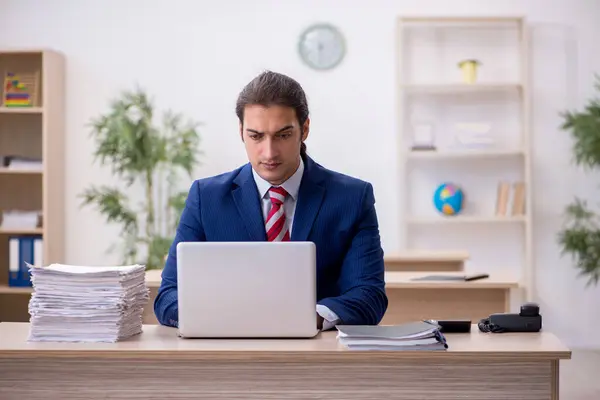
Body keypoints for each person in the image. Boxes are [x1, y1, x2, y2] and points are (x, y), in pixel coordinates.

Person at [154, 70, 388, 330]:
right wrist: (225, 317)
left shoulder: (352, 198)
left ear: (305, 129)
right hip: (228, 353)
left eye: (283, 135)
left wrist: (305, 319)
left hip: (319, 357)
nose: (269, 152)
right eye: (256, 136)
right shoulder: (205, 198)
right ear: (241, 132)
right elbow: (168, 297)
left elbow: (369, 296)